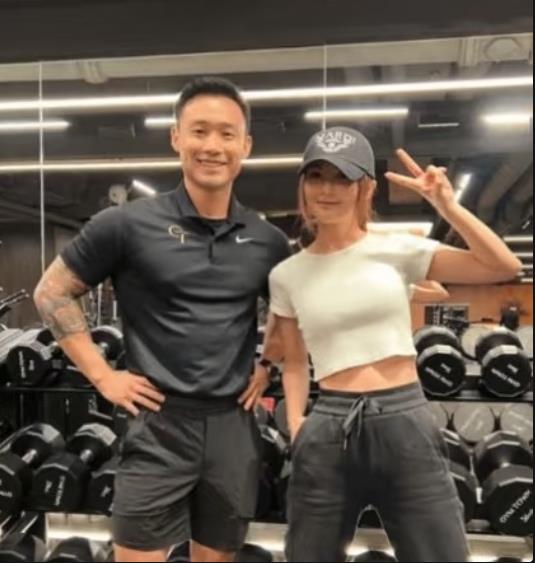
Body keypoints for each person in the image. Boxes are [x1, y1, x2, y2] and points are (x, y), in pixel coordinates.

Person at [33, 77, 289, 563]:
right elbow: (51, 292)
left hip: (232, 426)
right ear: (176, 137)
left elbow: (287, 307)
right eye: (199, 131)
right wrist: (103, 376)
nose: (212, 146)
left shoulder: (267, 240)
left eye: (227, 134)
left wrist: (267, 362)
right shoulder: (126, 224)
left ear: (246, 146)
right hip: (157, 422)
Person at [268, 126, 522, 563]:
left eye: (342, 178)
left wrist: (447, 206)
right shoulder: (287, 275)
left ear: (364, 187)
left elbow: (503, 265)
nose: (327, 189)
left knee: (440, 555)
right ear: (303, 185)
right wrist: (296, 423)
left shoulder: (398, 250)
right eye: (316, 176)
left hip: (403, 419)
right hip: (328, 427)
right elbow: (293, 362)